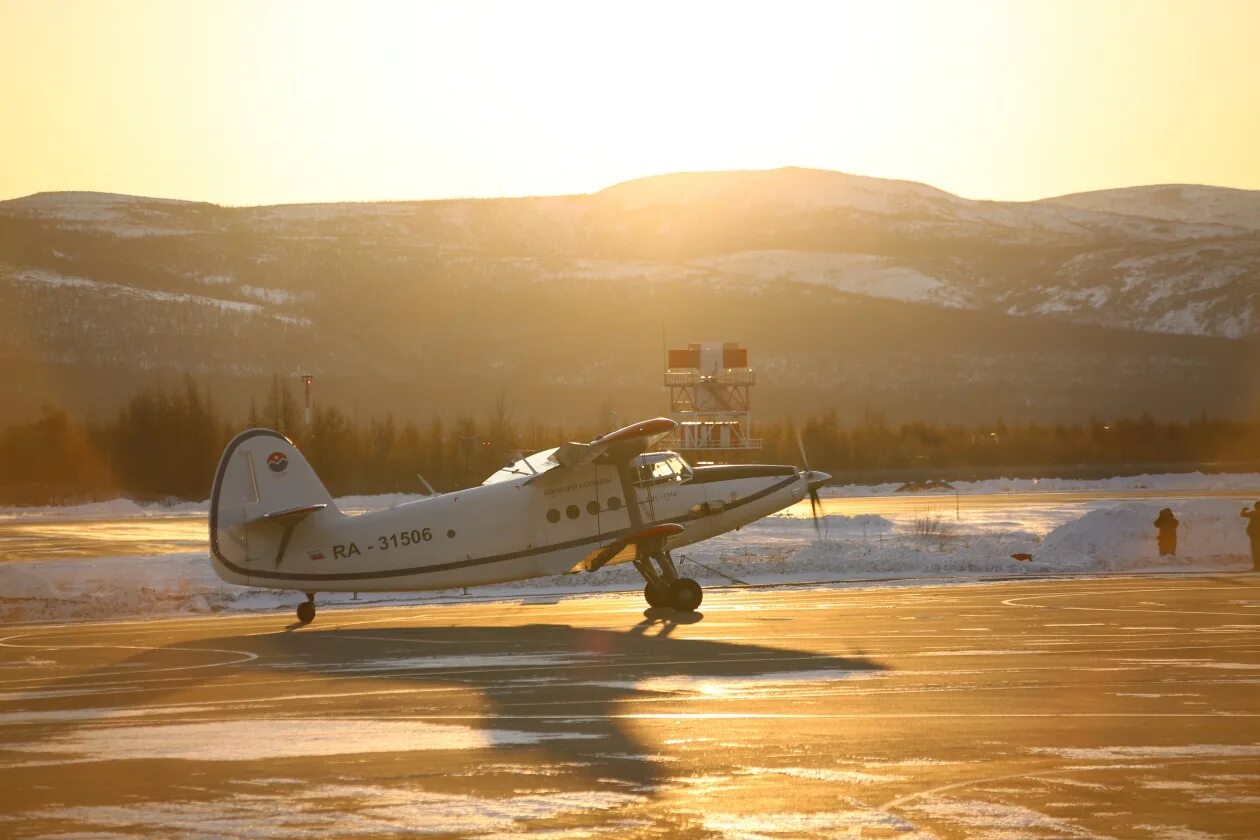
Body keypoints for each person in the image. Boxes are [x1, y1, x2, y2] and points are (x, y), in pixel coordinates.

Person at [1242, 502, 1260, 571]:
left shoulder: (1254, 513)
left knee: (1255, 552)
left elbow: (1243, 514)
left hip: (1255, 536)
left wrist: (1243, 510)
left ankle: (1257, 567)